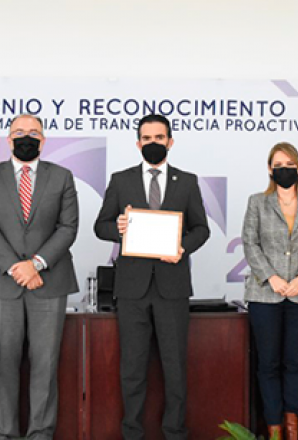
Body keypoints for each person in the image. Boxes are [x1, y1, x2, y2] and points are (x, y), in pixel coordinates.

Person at [94, 114, 210, 440]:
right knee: (132, 368)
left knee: (175, 368)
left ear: (170, 142)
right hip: (132, 288)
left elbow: (201, 229)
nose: (153, 143)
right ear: (138, 143)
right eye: (147, 138)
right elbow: (100, 226)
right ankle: (132, 433)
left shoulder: (187, 181)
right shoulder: (121, 180)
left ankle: (175, 432)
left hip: (172, 287)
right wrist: (118, 228)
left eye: (159, 138)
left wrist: (182, 247)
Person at [0, 114, 79, 440]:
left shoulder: (62, 176)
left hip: (49, 281)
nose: (26, 137)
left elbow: (68, 227)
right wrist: (17, 267)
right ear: (8, 139)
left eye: (34, 132)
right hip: (2, 282)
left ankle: (41, 434)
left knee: (45, 366)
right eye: (19, 132)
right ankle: (3, 434)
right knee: (2, 364)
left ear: (43, 140)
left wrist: (37, 264)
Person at [242, 142, 298, 440]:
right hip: (265, 295)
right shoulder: (257, 202)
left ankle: (292, 427)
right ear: (269, 169)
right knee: (268, 363)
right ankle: (274, 428)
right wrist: (271, 277)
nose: (284, 170)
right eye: (278, 165)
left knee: (295, 362)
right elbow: (250, 243)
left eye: (290, 164)